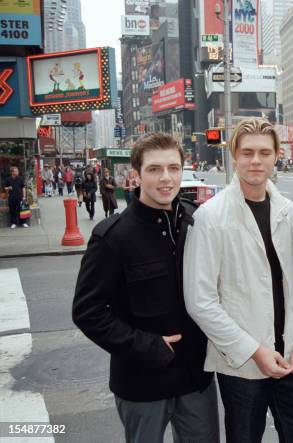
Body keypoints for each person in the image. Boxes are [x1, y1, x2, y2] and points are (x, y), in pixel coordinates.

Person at [73, 133, 219, 443]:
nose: (166, 178)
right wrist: (146, 345)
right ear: (136, 175)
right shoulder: (112, 236)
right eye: (154, 170)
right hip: (141, 382)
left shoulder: (197, 221)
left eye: (173, 168)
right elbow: (88, 312)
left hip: (196, 378)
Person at [183, 117, 293, 443]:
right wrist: (253, 351)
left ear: (276, 156)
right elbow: (200, 302)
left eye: (264, 152)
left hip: (291, 358)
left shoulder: (289, 211)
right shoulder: (210, 217)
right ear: (234, 156)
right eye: (247, 152)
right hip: (241, 366)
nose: (256, 160)